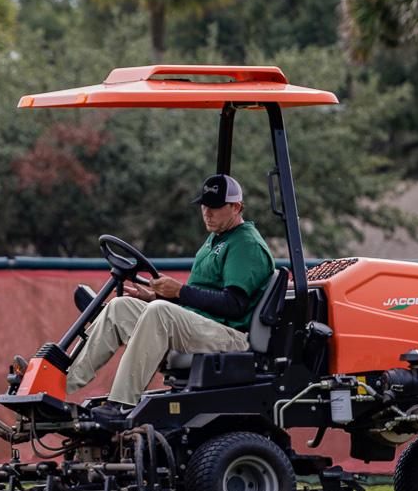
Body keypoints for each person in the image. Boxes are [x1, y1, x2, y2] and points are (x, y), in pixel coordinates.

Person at [69, 174, 275, 415]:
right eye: (204, 205)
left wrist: (178, 292)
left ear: (236, 207)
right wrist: (155, 296)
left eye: (216, 207)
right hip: (203, 326)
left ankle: (122, 403)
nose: (207, 212)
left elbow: (233, 305)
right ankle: (62, 384)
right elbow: (202, 298)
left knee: (160, 312)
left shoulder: (246, 244)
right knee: (120, 306)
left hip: (231, 335)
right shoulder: (216, 238)